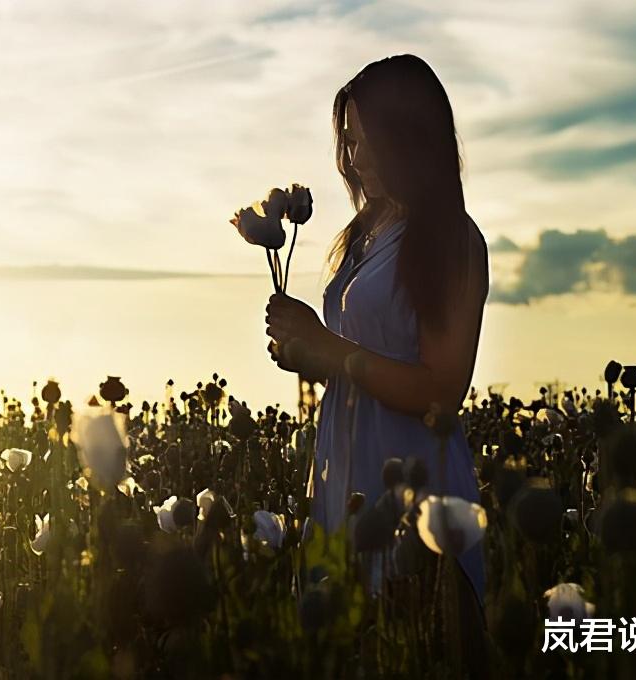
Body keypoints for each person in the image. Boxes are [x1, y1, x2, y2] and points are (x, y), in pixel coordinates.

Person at [264, 54, 490, 673]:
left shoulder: (451, 239)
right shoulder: (363, 234)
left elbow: (442, 392)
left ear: (407, 140)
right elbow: (361, 356)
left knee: (415, 649)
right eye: (347, 140)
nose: (351, 158)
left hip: (417, 493)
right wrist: (308, 354)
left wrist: (330, 348)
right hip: (344, 483)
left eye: (363, 140)